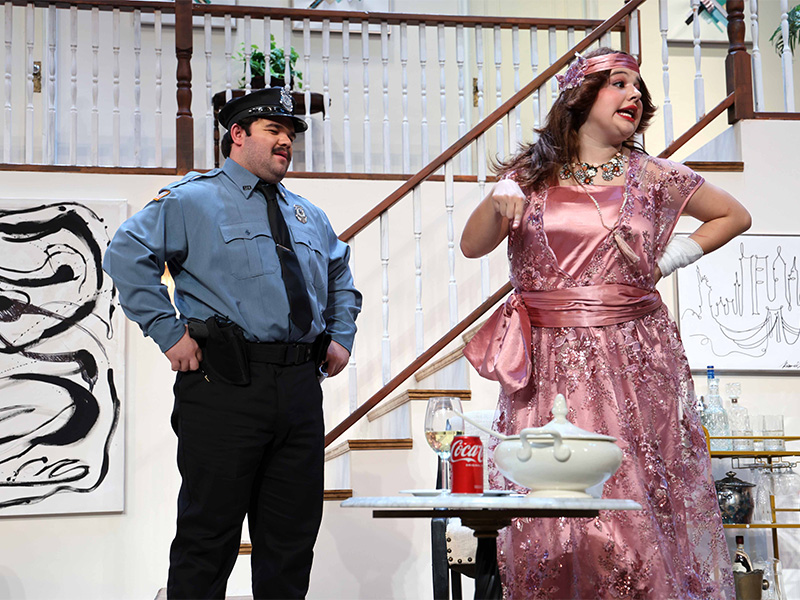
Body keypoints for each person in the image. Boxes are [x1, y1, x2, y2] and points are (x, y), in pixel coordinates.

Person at [460, 49, 750, 599]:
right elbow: (473, 246)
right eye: (619, 83)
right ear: (580, 97)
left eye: (639, 88)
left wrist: (668, 260)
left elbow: (734, 215)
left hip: (634, 353)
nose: (634, 95)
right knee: (554, 502)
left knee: (637, 501)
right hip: (547, 358)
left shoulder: (655, 176)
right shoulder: (530, 175)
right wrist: (499, 200)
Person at [103, 87, 362, 599]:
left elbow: (340, 275)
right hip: (223, 388)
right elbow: (125, 252)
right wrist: (167, 331)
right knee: (208, 539)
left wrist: (342, 335)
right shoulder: (191, 200)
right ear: (237, 134)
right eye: (275, 130)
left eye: (291, 133)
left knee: (290, 543)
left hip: (299, 390)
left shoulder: (308, 214)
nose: (287, 140)